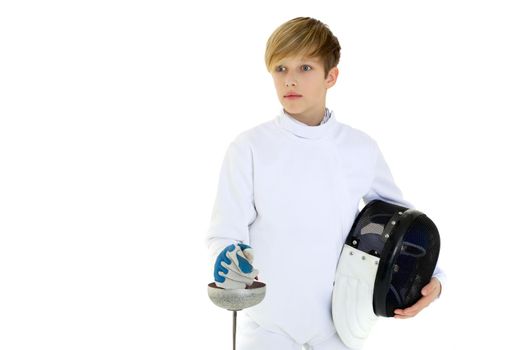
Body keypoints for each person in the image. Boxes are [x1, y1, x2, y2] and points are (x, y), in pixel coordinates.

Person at [205, 16, 445, 350]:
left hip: (339, 328)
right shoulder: (249, 148)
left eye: (305, 68)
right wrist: (227, 258)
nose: (290, 80)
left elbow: (407, 222)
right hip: (266, 328)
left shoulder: (359, 147)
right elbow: (224, 232)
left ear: (330, 76)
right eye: (281, 69)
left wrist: (437, 278)